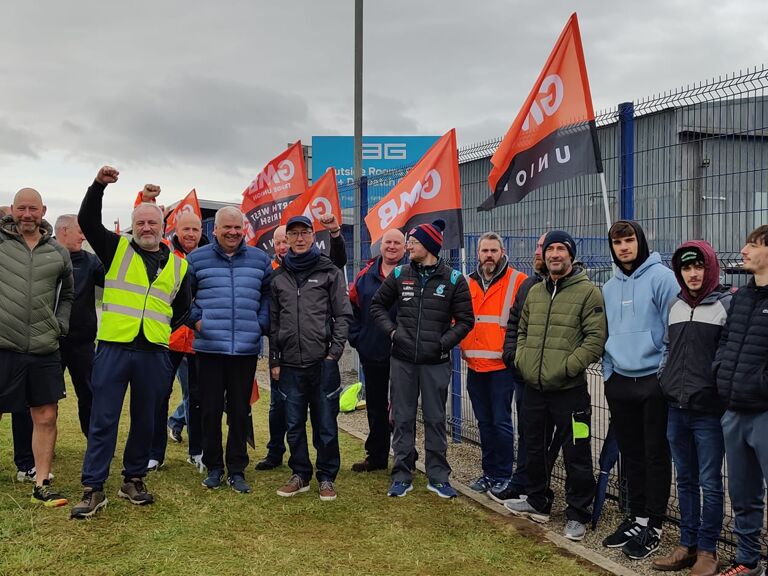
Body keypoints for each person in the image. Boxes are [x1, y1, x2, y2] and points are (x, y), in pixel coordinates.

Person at [71, 167, 191, 519]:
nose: (146, 229)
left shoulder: (180, 268)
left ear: (163, 227)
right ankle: (93, 487)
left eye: (152, 223)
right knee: (103, 418)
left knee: (146, 419)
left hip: (154, 352)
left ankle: (133, 479)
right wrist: (98, 187)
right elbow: (87, 219)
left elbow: (182, 309)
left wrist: (160, 332)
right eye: (140, 223)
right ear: (132, 227)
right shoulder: (115, 249)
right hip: (113, 347)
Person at [505, 231, 605, 542]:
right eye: (551, 250)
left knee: (576, 450)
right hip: (534, 387)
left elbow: (595, 340)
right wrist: (523, 359)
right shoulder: (535, 292)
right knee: (532, 445)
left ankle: (578, 512)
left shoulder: (589, 293)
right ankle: (537, 499)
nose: (555, 255)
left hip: (569, 391)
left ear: (571, 256)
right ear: (545, 256)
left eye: (561, 249)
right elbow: (521, 329)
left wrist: (566, 368)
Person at [370, 219, 474, 499]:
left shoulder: (453, 279)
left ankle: (438, 477)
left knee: (436, 420)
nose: (408, 247)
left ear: (427, 246)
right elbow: (377, 305)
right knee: (402, 419)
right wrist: (392, 332)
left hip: (436, 363)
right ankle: (402, 474)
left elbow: (465, 321)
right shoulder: (400, 275)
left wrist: (442, 343)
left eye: (412, 243)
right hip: (402, 361)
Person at [601, 220, 679, 559]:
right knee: (631, 452)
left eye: (629, 240)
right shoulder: (608, 286)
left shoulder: (662, 278)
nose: (624, 247)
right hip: (620, 381)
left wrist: (661, 377)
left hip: (652, 381)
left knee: (655, 453)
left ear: (640, 241)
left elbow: (672, 330)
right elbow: (606, 332)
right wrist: (608, 374)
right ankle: (637, 516)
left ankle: (655, 525)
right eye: (617, 242)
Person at [652, 241, 730, 576]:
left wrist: (712, 388)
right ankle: (686, 545)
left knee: (710, 482)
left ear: (709, 267)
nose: (693, 274)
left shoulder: (726, 306)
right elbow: (668, 351)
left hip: (708, 412)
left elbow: (726, 359)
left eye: (698, 266)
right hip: (676, 409)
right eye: (686, 268)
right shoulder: (676, 305)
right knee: (684, 479)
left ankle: (708, 551)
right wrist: (664, 380)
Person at [185, 206, 271, 494]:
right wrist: (197, 321)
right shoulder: (196, 259)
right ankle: (213, 467)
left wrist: (260, 323)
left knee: (239, 410)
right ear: (215, 230)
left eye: (238, 228)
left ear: (244, 229)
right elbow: (183, 298)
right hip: (209, 348)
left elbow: (268, 297)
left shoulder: (260, 260)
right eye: (227, 228)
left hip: (245, 349)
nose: (233, 232)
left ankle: (236, 469)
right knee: (209, 410)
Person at [255, 215, 347, 471]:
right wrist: (274, 360)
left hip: (322, 363)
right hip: (289, 365)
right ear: (287, 239)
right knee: (293, 424)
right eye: (293, 234)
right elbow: (274, 324)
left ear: (312, 237)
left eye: (304, 232)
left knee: (326, 424)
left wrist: (333, 355)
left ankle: (327, 475)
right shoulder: (278, 277)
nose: (299, 238)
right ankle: (300, 473)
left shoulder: (329, 271)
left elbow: (342, 315)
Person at [0, 188, 74, 507]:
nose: (27, 215)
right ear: (12, 210)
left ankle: (41, 483)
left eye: (33, 209)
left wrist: (60, 326)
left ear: (43, 210)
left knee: (45, 416)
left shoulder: (58, 252)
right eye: (21, 209)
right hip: (3, 345)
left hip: (44, 347)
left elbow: (68, 295)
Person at [713, 226, 768, 576]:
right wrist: (722, 373)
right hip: (734, 412)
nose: (744, 249)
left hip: (764, 413)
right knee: (744, 496)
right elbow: (727, 341)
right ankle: (747, 562)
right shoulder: (742, 297)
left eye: (752, 244)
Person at [460, 232, 527, 495]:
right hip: (475, 367)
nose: (489, 255)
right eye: (484, 251)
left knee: (501, 422)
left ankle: (503, 474)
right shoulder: (467, 283)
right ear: (478, 254)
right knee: (484, 423)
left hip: (501, 368)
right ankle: (489, 472)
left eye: (493, 251)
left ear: (502, 252)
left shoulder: (518, 281)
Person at [149, 210, 207, 472]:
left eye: (195, 230)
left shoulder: (208, 258)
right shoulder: (165, 255)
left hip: (197, 340)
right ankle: (154, 454)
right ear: (176, 230)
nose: (191, 235)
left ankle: (197, 451)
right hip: (167, 338)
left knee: (197, 398)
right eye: (186, 230)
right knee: (159, 395)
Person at [495, 232, 548, 503]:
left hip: (556, 379)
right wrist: (512, 357)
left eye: (543, 246)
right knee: (527, 432)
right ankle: (523, 482)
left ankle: (544, 489)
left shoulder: (575, 287)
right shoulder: (528, 285)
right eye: (538, 246)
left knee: (561, 439)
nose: (538, 251)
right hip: (524, 374)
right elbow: (515, 323)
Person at [348, 228, 406, 472]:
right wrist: (357, 338)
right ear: (381, 246)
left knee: (404, 406)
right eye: (388, 242)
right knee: (375, 405)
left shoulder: (413, 273)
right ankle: (377, 456)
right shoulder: (365, 276)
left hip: (405, 353)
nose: (392, 246)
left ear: (404, 248)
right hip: (372, 350)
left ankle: (406, 457)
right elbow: (351, 307)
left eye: (397, 243)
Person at [54, 214, 105, 438]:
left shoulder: (90, 261)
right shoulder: (46, 257)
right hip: (50, 342)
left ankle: (94, 441)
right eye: (80, 231)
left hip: (82, 344)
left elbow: (111, 279)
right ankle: (41, 445)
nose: (83, 237)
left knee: (89, 394)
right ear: (64, 231)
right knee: (44, 398)